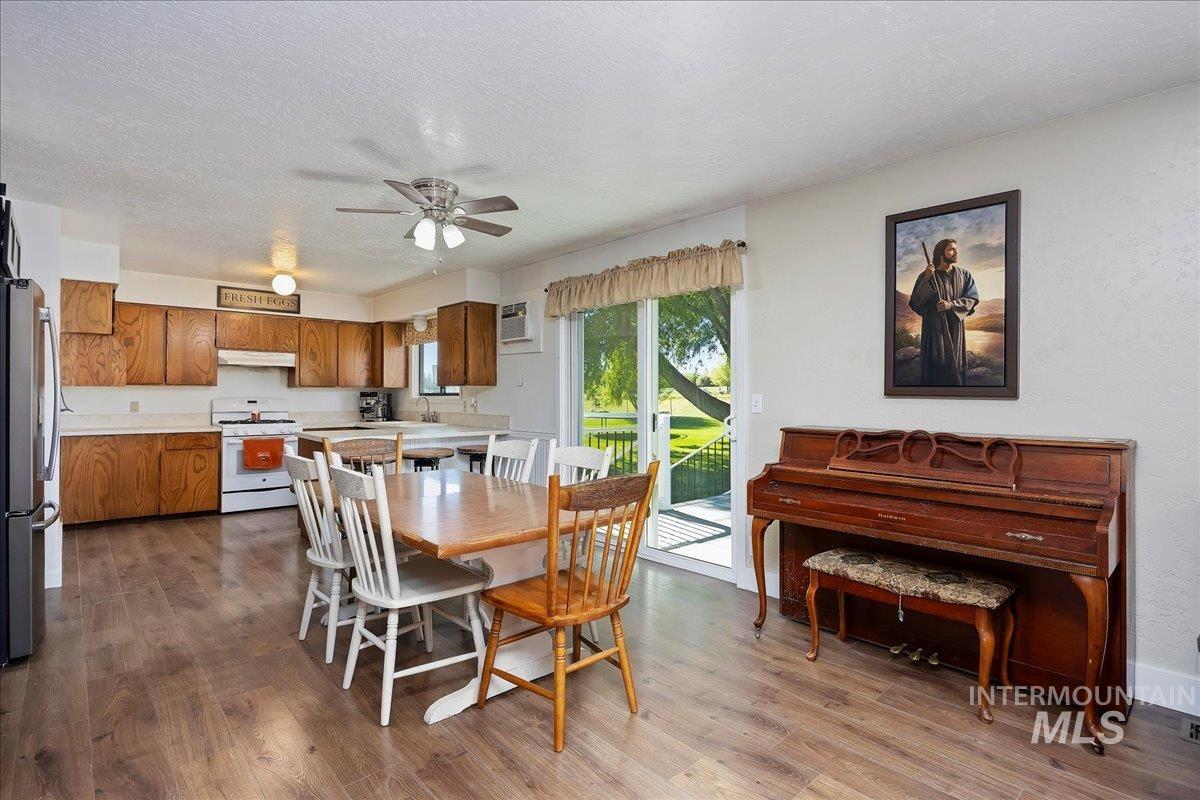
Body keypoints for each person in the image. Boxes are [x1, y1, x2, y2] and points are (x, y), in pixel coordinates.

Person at [908, 238, 979, 385]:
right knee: (934, 372)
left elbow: (972, 299)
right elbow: (915, 301)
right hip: (933, 330)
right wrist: (927, 279)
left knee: (955, 369)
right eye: (951, 249)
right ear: (941, 253)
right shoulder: (926, 275)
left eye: (956, 249)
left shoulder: (965, 275)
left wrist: (951, 305)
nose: (956, 252)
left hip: (955, 329)